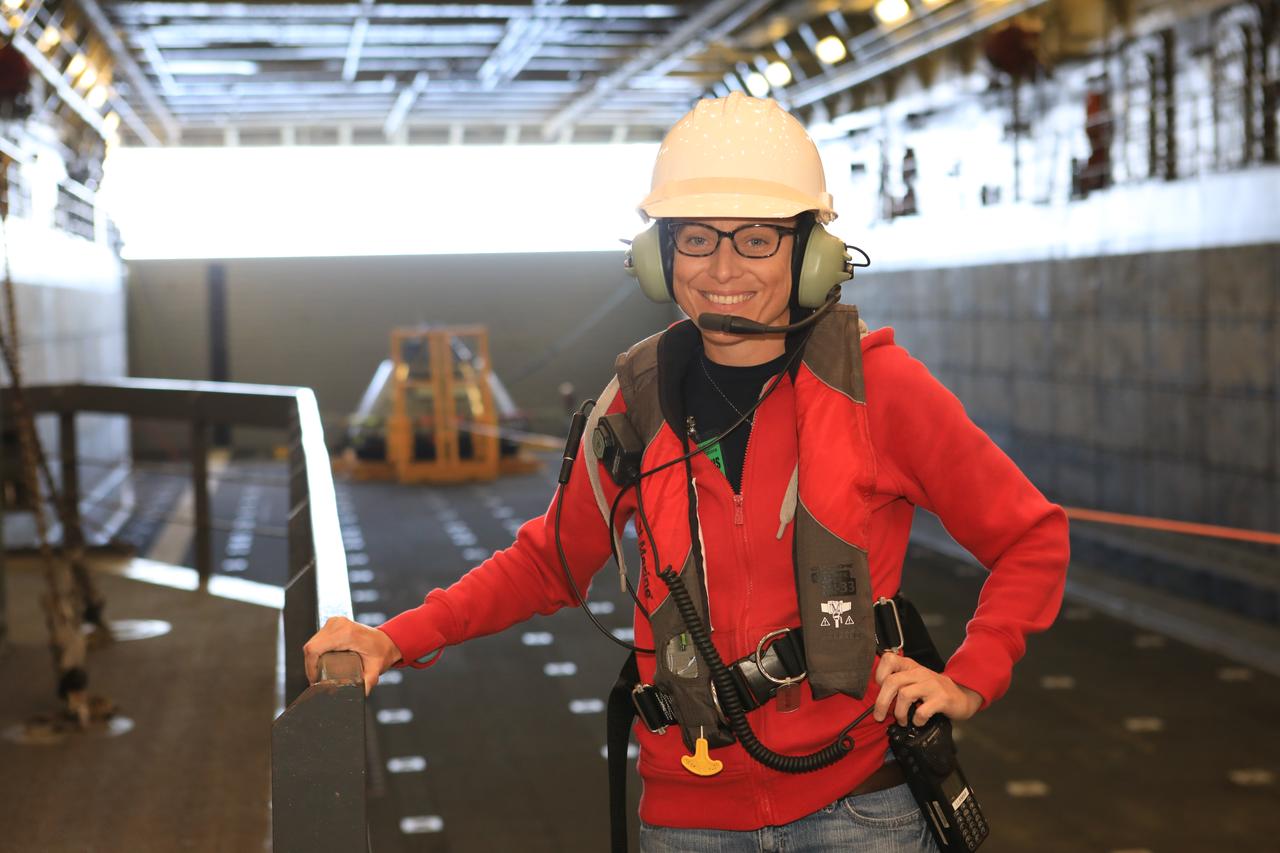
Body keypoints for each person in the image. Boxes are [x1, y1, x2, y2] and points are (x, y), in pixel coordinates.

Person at [304, 93, 1070, 852]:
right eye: (697, 237)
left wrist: (969, 677)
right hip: (689, 823)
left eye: (759, 239)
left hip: (863, 812)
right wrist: (392, 638)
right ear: (658, 255)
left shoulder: (880, 390)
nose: (724, 268)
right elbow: (550, 560)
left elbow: (1031, 537)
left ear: (812, 254)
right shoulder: (632, 405)